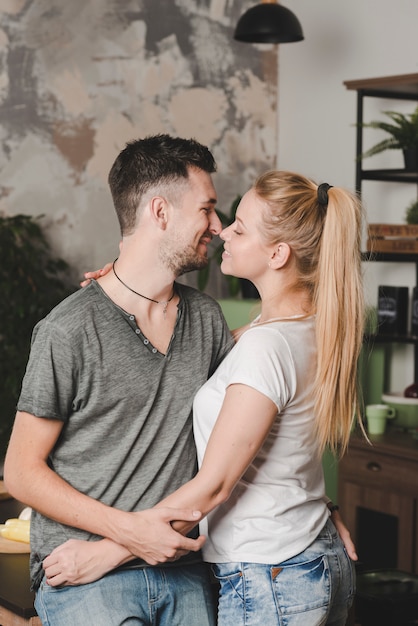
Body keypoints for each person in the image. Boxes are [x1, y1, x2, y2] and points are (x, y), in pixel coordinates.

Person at [37, 170, 363, 625]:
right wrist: (122, 289)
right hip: (306, 554)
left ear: (278, 253)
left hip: (271, 574)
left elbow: (214, 486)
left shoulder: (264, 347)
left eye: (239, 228)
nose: (222, 231)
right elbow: (197, 367)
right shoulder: (300, 328)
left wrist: (106, 554)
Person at [3, 134, 235, 626]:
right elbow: (21, 473)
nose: (218, 226)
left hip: (183, 568)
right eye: (208, 209)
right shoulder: (69, 330)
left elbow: (249, 430)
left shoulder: (208, 321)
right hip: (84, 572)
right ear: (160, 211)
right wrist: (130, 533)